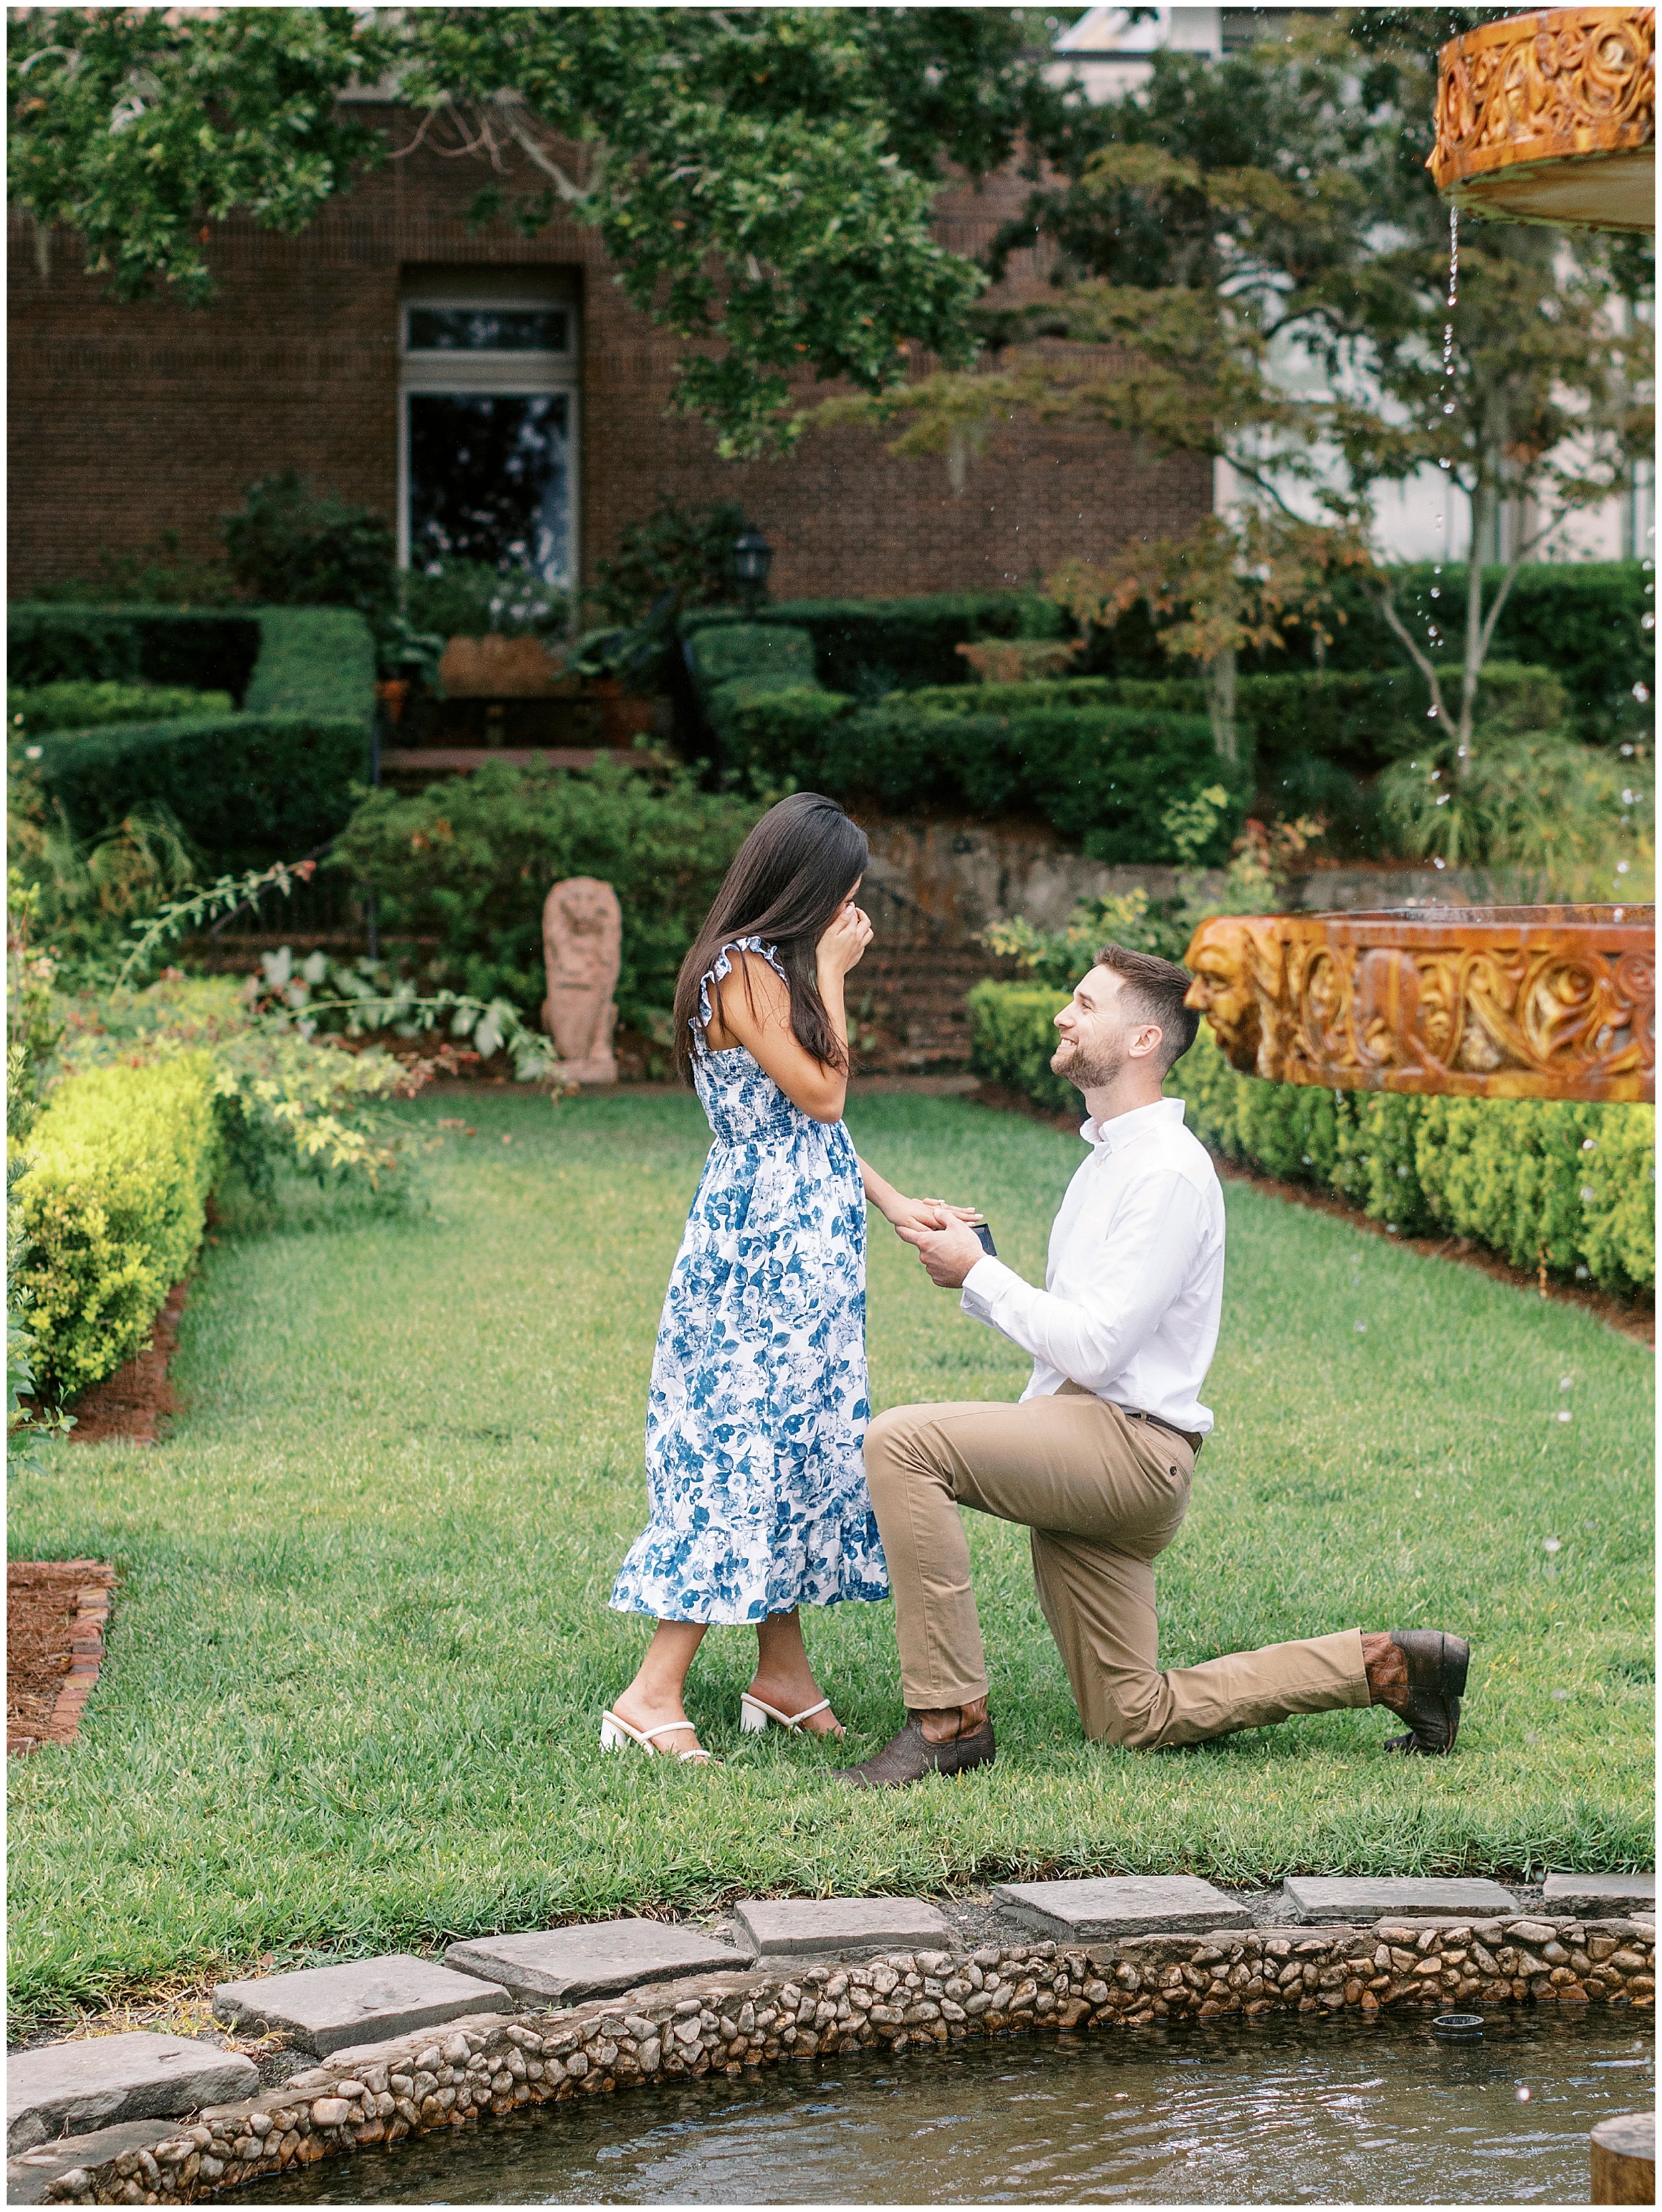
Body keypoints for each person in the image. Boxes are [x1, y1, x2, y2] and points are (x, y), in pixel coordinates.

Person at [836, 941, 1471, 1788]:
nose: (1064, 1015)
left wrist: (981, 1276)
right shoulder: (1112, 1161)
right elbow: (1084, 1333)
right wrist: (977, 1264)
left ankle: (948, 1721)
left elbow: (1098, 1351)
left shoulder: (1167, 1173)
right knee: (1130, 1717)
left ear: (1142, 1042)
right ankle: (1394, 1667)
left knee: (902, 1442)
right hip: (1092, 1445)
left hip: (1127, 1450)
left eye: (1086, 1004)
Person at [605, 792, 978, 1762]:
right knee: (743, 1440)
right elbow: (824, 1090)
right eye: (842, 892)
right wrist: (830, 972)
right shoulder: (745, 969)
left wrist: (895, 1203)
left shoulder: (774, 969)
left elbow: (816, 1129)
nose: (852, 911)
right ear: (805, 886)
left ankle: (784, 1672)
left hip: (810, 1238)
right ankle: (650, 1692)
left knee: (808, 1443)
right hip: (760, 1246)